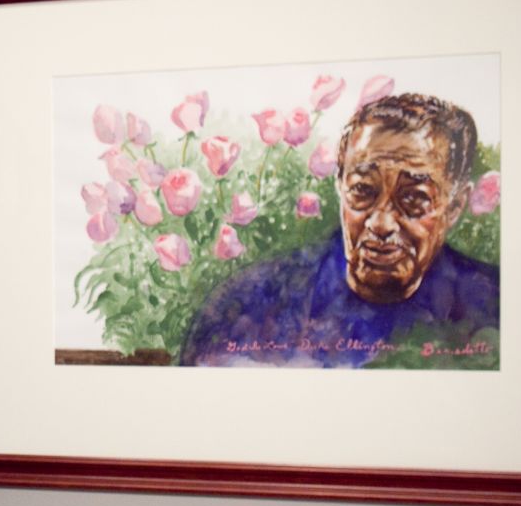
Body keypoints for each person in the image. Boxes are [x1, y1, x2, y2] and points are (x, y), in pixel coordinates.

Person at [180, 93, 499, 367]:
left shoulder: (493, 309)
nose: (381, 224)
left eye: (414, 199)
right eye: (363, 191)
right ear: (340, 185)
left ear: (455, 206)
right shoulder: (245, 309)